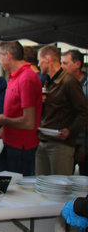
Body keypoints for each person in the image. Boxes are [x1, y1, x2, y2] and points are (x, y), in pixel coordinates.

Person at [37, 45, 88, 175]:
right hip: (44, 140)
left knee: (59, 187)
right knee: (41, 184)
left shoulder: (69, 81)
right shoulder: (49, 81)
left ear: (47, 59)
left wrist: (70, 131)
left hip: (60, 145)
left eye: (40, 60)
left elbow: (83, 112)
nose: (38, 64)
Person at [0, 41, 42, 176]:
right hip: (11, 142)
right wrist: (5, 129)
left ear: (8, 55)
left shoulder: (27, 78)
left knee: (17, 189)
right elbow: (16, 112)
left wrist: (3, 120)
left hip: (21, 147)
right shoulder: (15, 76)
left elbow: (29, 122)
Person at [62, 49, 88, 175]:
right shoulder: (65, 83)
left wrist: (84, 148)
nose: (62, 67)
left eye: (65, 63)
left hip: (82, 144)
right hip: (68, 142)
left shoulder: (85, 86)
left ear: (77, 64)